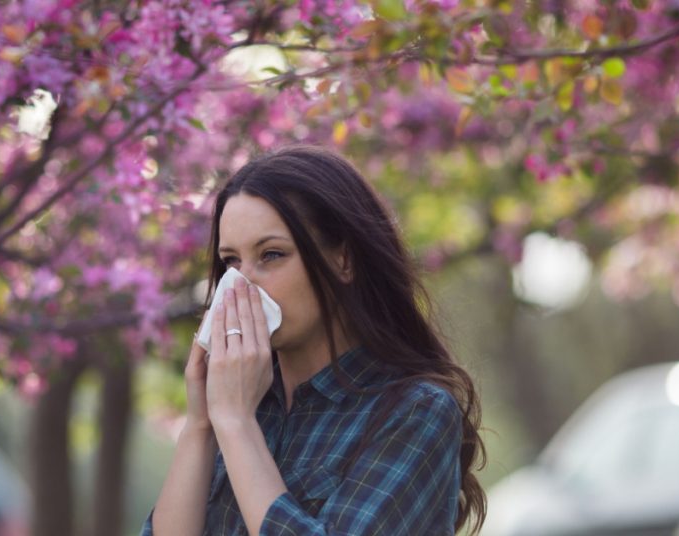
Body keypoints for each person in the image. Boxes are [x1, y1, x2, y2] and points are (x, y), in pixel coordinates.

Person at [141, 146, 486, 535]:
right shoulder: (236, 405)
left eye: (271, 255)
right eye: (231, 262)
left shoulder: (413, 411)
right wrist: (201, 424)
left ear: (343, 260)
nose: (242, 284)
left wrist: (236, 426)